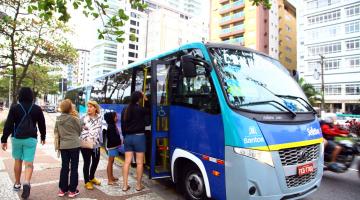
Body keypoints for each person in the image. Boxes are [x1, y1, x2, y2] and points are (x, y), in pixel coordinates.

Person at [1, 87, 46, 199]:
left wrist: (4, 139)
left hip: (17, 138)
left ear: (20, 95)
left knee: (18, 160)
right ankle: (26, 182)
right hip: (31, 139)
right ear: (31, 96)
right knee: (29, 163)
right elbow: (42, 124)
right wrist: (43, 136)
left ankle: (17, 183)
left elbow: (9, 124)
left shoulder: (15, 108)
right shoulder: (36, 108)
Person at [121, 91, 148, 192]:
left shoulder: (125, 109)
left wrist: (124, 136)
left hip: (128, 137)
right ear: (139, 99)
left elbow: (123, 125)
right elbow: (151, 111)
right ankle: (138, 186)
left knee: (127, 162)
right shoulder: (141, 109)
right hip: (139, 137)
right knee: (139, 163)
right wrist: (146, 99)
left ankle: (124, 186)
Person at [54, 99, 81, 198]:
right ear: (70, 108)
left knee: (64, 167)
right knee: (74, 167)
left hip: (63, 146)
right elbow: (79, 130)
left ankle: (62, 189)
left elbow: (56, 131)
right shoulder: (74, 118)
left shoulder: (58, 119)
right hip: (74, 145)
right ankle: (72, 191)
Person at [80, 100, 102, 190]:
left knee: (96, 161)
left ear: (95, 108)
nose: (88, 108)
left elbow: (99, 131)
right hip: (86, 143)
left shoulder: (100, 117)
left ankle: (92, 177)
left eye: (91, 107)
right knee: (87, 162)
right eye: (88, 106)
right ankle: (86, 181)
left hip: (96, 144)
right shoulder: (83, 118)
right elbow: (80, 130)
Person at [104, 112, 122, 185]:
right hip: (112, 147)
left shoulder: (112, 125)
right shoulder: (111, 127)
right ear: (112, 118)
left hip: (113, 147)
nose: (117, 118)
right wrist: (120, 141)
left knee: (111, 161)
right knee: (110, 162)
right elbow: (112, 138)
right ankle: (109, 180)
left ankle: (111, 177)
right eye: (115, 117)